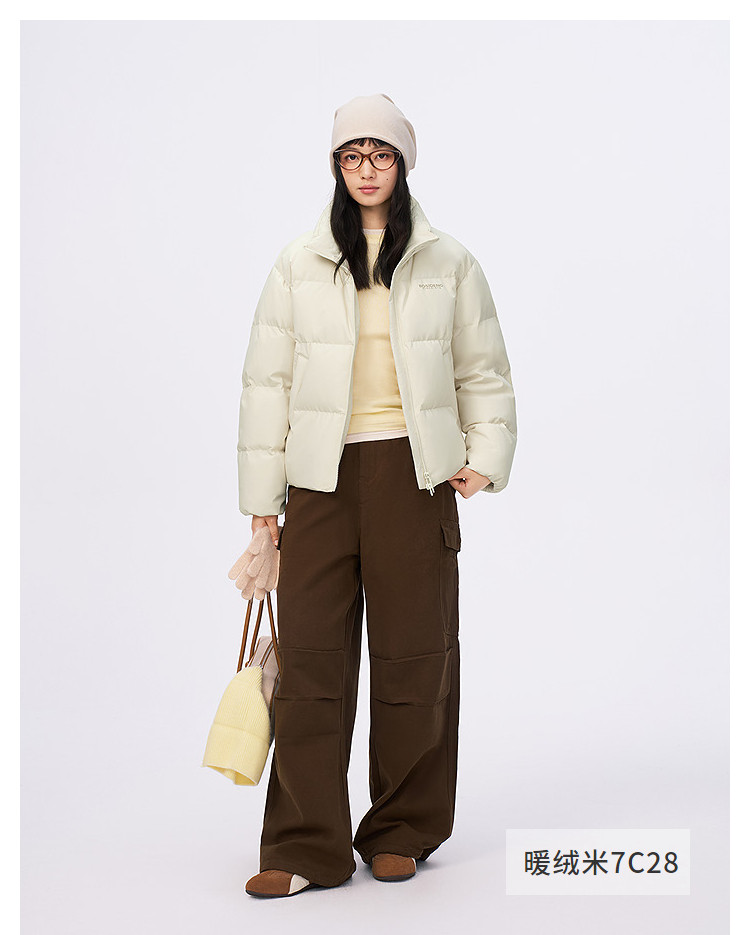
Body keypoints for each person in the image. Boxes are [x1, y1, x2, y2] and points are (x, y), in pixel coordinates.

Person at [235, 93, 518, 898]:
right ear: (336, 165)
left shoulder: (448, 261)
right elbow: (266, 382)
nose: (366, 170)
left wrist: (485, 456)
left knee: (414, 656)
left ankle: (402, 828)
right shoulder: (298, 262)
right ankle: (305, 843)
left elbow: (483, 367)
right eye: (352, 156)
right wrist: (262, 501)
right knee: (311, 664)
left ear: (402, 163)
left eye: (381, 155)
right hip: (317, 482)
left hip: (413, 475)